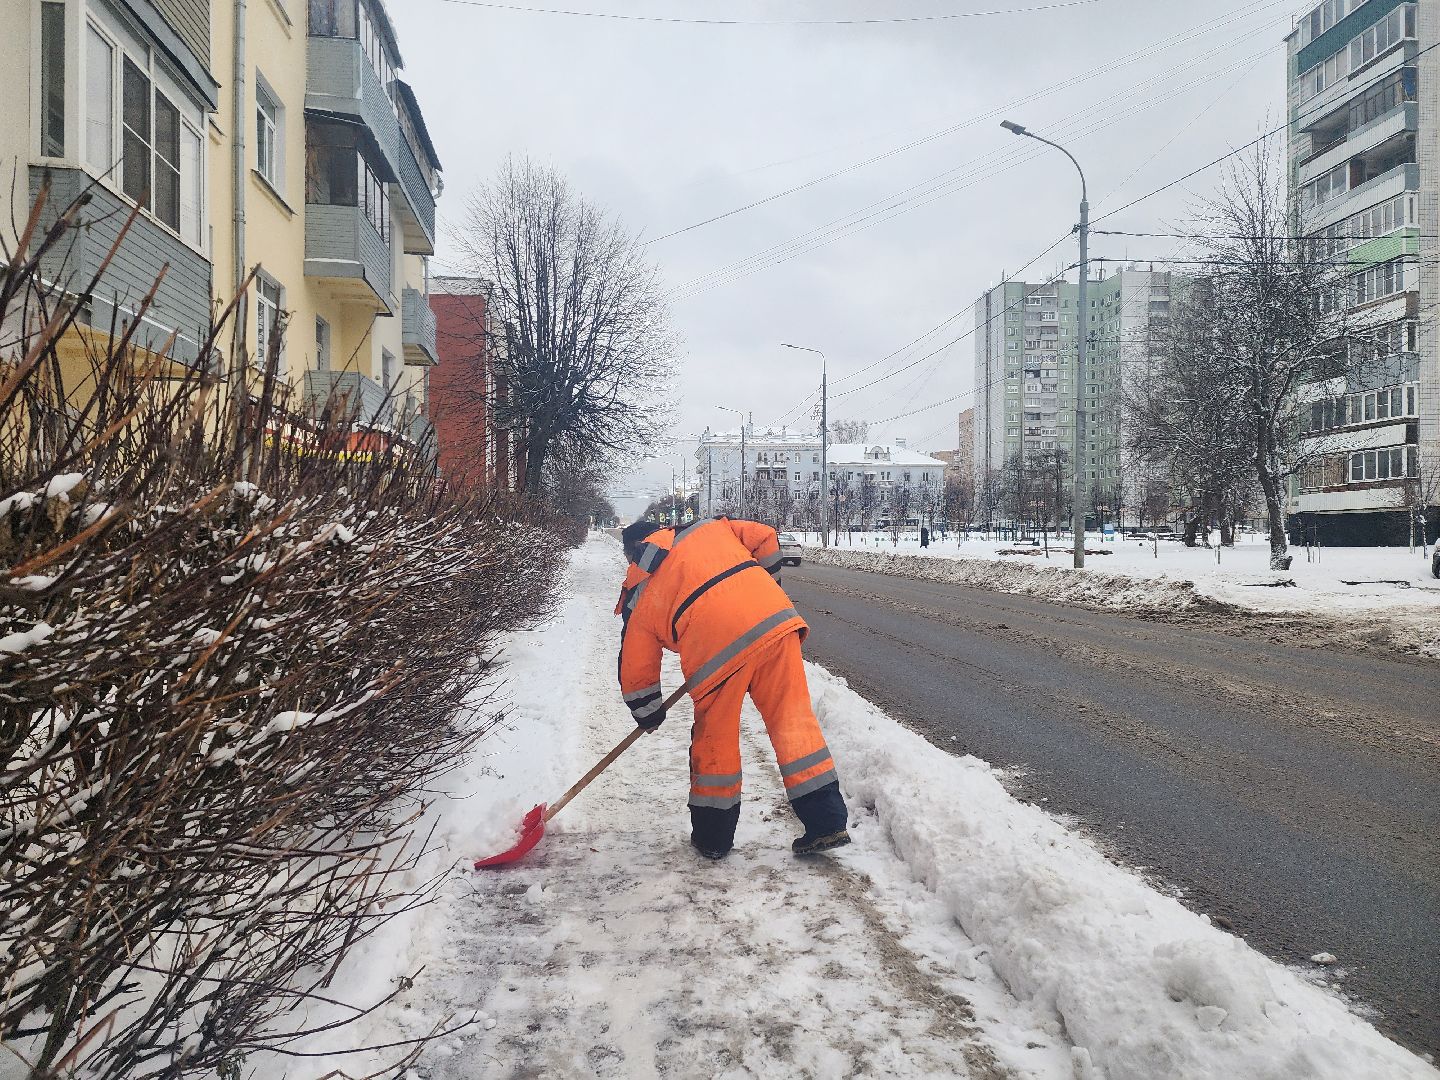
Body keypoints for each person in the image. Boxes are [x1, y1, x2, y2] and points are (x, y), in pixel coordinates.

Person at [616, 518, 849, 860]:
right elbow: (766, 537)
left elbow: (636, 662)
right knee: (792, 721)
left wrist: (647, 711)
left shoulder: (639, 585)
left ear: (631, 552)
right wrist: (765, 586)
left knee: (716, 737)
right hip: (775, 620)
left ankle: (713, 837)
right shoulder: (707, 528)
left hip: (715, 648)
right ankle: (827, 821)